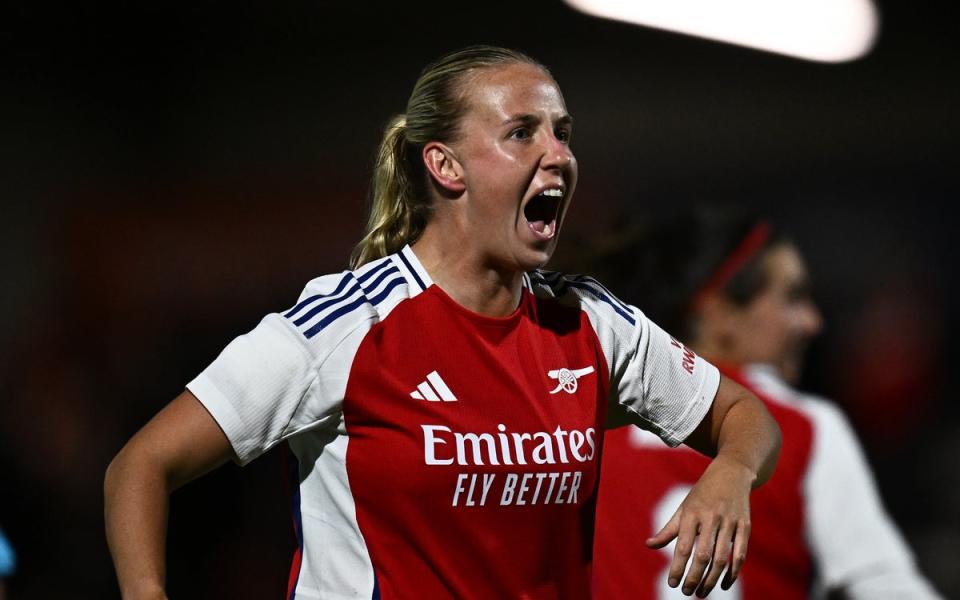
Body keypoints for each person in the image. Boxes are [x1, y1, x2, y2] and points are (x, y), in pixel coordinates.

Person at [104, 47, 780, 599]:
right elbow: (140, 467)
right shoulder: (347, 325)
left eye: (562, 133)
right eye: (523, 133)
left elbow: (746, 413)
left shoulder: (589, 324)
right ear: (444, 164)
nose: (560, 155)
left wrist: (730, 473)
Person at [591, 210, 942, 599]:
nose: (812, 322)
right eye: (792, 298)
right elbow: (884, 585)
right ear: (718, 314)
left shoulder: (588, 416)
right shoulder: (803, 426)